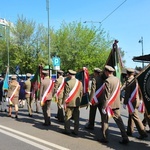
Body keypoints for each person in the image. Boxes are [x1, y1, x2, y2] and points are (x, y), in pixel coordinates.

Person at [100, 65, 129, 144]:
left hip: (108, 105)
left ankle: (104, 138)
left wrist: (104, 107)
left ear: (106, 72)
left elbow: (106, 95)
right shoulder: (117, 79)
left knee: (105, 121)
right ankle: (125, 137)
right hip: (116, 104)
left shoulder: (107, 81)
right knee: (119, 121)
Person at [123, 68, 148, 139]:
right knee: (131, 115)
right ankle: (129, 130)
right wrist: (140, 99)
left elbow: (127, 93)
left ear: (127, 74)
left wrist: (125, 103)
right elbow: (140, 90)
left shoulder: (129, 81)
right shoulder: (137, 80)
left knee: (135, 116)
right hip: (137, 100)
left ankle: (143, 133)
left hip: (132, 101)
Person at [62, 70, 83, 135]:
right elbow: (81, 93)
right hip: (77, 103)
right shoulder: (80, 83)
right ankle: (76, 131)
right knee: (76, 118)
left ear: (70, 75)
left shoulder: (68, 82)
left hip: (69, 102)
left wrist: (64, 102)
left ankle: (67, 130)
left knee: (67, 116)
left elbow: (66, 94)